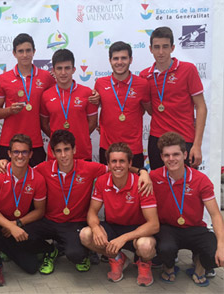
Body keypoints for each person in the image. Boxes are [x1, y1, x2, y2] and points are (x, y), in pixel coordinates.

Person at [0, 130, 152, 275]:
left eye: (67, 149)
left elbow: (117, 167)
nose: (63, 155)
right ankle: (50, 252)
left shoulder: (88, 167)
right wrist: (4, 163)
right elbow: (21, 167)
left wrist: (142, 172)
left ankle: (85, 254)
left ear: (74, 150)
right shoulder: (43, 168)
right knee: (19, 235)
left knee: (75, 254)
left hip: (75, 223)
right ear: (53, 153)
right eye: (58, 151)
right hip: (48, 221)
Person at [80, 142, 159, 286]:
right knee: (86, 235)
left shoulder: (142, 183)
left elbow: (154, 224)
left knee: (145, 246)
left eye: (122, 161)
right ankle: (117, 258)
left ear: (129, 163)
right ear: (108, 165)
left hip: (137, 231)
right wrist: (96, 228)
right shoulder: (102, 181)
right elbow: (92, 212)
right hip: (113, 227)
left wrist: (124, 238)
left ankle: (144, 264)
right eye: (114, 161)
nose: (118, 165)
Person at [150, 132, 224, 286]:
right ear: (162, 157)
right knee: (165, 248)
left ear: (185, 155)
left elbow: (216, 215)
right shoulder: (154, 177)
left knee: (214, 254)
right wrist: (143, 173)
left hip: (195, 227)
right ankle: (169, 268)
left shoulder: (201, 180)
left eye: (176, 154)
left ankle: (199, 265)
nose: (171, 159)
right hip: (168, 228)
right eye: (167, 155)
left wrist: (222, 245)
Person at [0, 134, 51, 286]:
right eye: (16, 152)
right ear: (9, 154)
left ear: (30, 154)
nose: (20, 156)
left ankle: (1, 247)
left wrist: (17, 223)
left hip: (17, 222)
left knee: (31, 267)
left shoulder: (37, 179)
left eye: (24, 152)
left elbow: (40, 211)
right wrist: (10, 226)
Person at [140, 27, 207, 170]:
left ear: (173, 48)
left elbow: (201, 107)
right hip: (156, 139)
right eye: (156, 47)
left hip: (184, 139)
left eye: (165, 47)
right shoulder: (145, 75)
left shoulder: (188, 70)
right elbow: (150, 109)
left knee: (186, 187)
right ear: (150, 49)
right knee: (159, 185)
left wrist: (197, 145)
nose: (161, 52)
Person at [0, 33, 56, 166]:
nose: (25, 55)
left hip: (35, 142)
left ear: (34, 51)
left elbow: (59, 99)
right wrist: (10, 110)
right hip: (9, 143)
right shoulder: (3, 79)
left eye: (28, 50)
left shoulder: (46, 77)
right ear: (14, 53)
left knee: (35, 184)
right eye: (20, 51)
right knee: (8, 185)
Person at [93, 41, 151, 167]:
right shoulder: (100, 84)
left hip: (133, 149)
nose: (119, 62)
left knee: (136, 185)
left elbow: (149, 110)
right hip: (107, 148)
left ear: (131, 59)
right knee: (107, 185)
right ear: (110, 60)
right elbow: (91, 110)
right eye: (116, 58)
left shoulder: (142, 84)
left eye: (124, 58)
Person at [40, 49, 98, 161]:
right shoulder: (46, 95)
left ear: (74, 70)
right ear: (53, 70)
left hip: (82, 153)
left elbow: (92, 123)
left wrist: (80, 135)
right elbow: (44, 124)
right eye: (59, 68)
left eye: (67, 68)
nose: (63, 73)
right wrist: (56, 137)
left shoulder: (87, 93)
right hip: (56, 156)